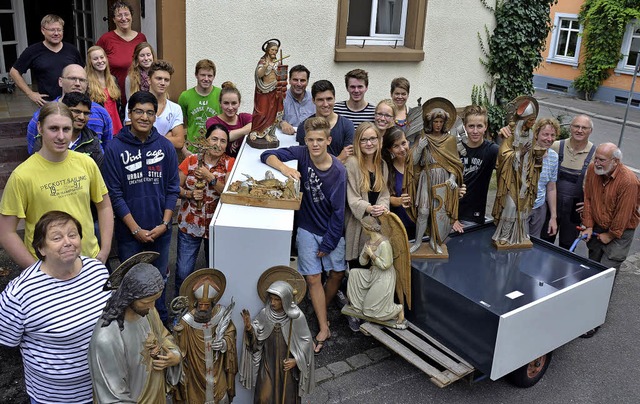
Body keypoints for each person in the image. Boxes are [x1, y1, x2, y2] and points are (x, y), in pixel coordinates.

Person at [0, 211, 111, 403]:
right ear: (41, 248)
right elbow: (8, 341)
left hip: (103, 389)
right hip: (54, 397)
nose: (67, 242)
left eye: (73, 234)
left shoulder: (98, 271)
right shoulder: (19, 293)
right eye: (57, 237)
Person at [261, 117, 347, 355]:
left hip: (331, 229)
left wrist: (329, 242)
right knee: (312, 279)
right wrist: (285, 168)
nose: (315, 144)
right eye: (311, 140)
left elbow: (339, 213)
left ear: (328, 141)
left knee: (336, 274)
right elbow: (267, 154)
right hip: (307, 228)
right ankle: (323, 325)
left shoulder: (339, 171)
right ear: (305, 141)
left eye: (320, 140)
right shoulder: (302, 154)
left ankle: (320, 305)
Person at [0, 102, 113, 269]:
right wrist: (36, 271)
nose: (61, 136)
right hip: (47, 268)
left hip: (89, 263)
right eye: (53, 128)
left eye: (66, 129)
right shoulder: (22, 176)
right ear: (39, 128)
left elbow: (104, 207)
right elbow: (6, 232)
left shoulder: (86, 163)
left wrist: (104, 251)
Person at [102, 91, 180, 322]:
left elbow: (173, 188)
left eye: (149, 112)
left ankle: (160, 325)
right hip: (129, 235)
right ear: (130, 113)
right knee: (131, 283)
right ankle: (131, 328)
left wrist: (165, 224)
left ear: (156, 116)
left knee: (160, 281)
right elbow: (114, 195)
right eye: (139, 111)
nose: (144, 117)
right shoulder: (115, 149)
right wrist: (135, 229)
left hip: (161, 232)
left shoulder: (165, 147)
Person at [88, 262, 182, 402]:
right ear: (129, 297)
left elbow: (164, 337)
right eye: (146, 302)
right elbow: (113, 398)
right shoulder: (107, 338)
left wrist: (174, 356)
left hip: (158, 395)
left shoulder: (148, 312)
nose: (151, 307)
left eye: (155, 300)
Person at [175, 124, 235, 296]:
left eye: (223, 141)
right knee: (183, 273)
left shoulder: (230, 164)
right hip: (190, 225)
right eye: (214, 139)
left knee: (215, 272)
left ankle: (211, 309)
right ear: (206, 140)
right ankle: (180, 309)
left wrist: (211, 178)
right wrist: (189, 193)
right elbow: (174, 187)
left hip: (216, 228)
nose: (218, 144)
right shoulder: (192, 160)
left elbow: (229, 194)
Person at [240, 281, 315, 403]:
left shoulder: (296, 316)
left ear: (285, 300)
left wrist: (296, 360)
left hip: (286, 367)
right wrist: (249, 328)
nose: (273, 302)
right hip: (267, 364)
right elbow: (256, 342)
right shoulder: (265, 314)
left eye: (277, 299)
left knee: (287, 399)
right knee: (263, 398)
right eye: (271, 299)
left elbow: (306, 343)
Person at [173, 269, 237, 404]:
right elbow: (180, 349)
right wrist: (178, 334)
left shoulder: (220, 315)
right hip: (196, 371)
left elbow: (230, 331)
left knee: (221, 397)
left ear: (212, 304)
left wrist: (225, 343)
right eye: (200, 304)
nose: (202, 308)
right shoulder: (187, 320)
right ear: (195, 303)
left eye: (206, 305)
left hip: (217, 367)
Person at [407, 100, 463, 254]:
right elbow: (413, 162)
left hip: (443, 179)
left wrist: (452, 178)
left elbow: (455, 164)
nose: (437, 124)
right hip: (427, 177)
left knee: (438, 211)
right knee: (424, 211)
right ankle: (418, 242)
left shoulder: (449, 140)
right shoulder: (423, 138)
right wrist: (419, 147)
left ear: (445, 122)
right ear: (429, 122)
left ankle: (435, 240)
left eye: (440, 121)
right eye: (435, 121)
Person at [26, 63, 113, 154]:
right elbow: (33, 152)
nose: (77, 84)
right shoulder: (43, 114)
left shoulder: (101, 113)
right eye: (72, 79)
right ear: (60, 81)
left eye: (82, 80)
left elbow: (108, 149)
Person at [581, 143, 640, 269]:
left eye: (601, 160)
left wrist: (610, 235)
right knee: (593, 266)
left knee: (606, 270)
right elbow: (588, 198)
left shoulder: (628, 181)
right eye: (595, 158)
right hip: (598, 225)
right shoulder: (592, 169)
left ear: (615, 162)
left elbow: (623, 214)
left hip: (621, 231)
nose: (596, 163)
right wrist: (589, 226)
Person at [492, 97, 542, 246]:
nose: (533, 123)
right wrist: (518, 153)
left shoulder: (532, 135)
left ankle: (518, 235)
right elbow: (503, 154)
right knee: (511, 206)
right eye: (531, 120)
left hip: (526, 176)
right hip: (511, 177)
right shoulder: (512, 133)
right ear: (524, 119)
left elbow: (534, 154)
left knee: (523, 208)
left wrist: (538, 160)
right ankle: (505, 235)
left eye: (534, 120)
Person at [542, 115, 596, 249]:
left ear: (590, 131)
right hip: (550, 206)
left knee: (567, 247)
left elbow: (601, 185)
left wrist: (591, 204)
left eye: (584, 128)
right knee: (543, 242)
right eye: (576, 126)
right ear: (570, 128)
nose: (579, 130)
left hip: (574, 212)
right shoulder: (556, 146)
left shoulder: (595, 154)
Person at [9, 14, 82, 106]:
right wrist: (30, 93)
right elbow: (14, 72)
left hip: (73, 102)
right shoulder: (33, 51)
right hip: (48, 104)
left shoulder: (72, 50)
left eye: (59, 30)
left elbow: (84, 71)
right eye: (52, 30)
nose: (56, 33)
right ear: (43, 30)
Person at [346, 216, 405, 326]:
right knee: (354, 273)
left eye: (363, 227)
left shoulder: (384, 243)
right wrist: (366, 253)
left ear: (368, 229)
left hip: (384, 277)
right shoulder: (368, 243)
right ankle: (358, 305)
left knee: (369, 310)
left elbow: (385, 265)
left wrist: (372, 255)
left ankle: (398, 309)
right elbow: (362, 263)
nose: (362, 230)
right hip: (374, 273)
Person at [345, 122, 390, 265]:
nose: (369, 143)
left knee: (377, 266)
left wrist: (382, 207)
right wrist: (368, 208)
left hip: (377, 223)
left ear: (379, 140)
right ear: (358, 142)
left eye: (372, 138)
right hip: (358, 223)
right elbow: (351, 197)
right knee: (359, 265)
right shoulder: (352, 163)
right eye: (363, 140)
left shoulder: (382, 165)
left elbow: (384, 194)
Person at [452, 105, 498, 232]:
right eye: (471, 126)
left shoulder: (492, 150)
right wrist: (450, 216)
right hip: (451, 214)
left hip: (474, 215)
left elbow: (510, 165)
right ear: (465, 127)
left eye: (479, 126)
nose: (475, 131)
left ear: (486, 127)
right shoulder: (455, 148)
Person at [32, 92, 105, 167]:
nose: (82, 117)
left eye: (86, 113)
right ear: (64, 111)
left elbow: (100, 171)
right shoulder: (45, 140)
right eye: (77, 111)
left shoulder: (93, 140)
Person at [96, 1, 148, 105]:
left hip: (137, 94)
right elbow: (93, 62)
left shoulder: (141, 38)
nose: (124, 18)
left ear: (131, 16)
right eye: (119, 15)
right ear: (114, 19)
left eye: (126, 14)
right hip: (113, 96)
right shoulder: (106, 39)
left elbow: (147, 63)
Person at [295, 80, 354, 163]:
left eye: (329, 99)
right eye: (320, 100)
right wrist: (339, 158)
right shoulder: (304, 127)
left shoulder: (347, 126)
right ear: (313, 100)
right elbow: (305, 160)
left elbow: (348, 158)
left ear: (334, 98)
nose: (325, 104)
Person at [179, 59, 222, 152]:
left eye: (210, 76)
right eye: (203, 75)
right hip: (192, 149)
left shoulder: (221, 95)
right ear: (196, 75)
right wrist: (184, 150)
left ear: (214, 76)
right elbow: (179, 125)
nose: (206, 79)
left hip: (215, 149)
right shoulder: (185, 96)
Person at [249, 39, 286, 146]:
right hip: (263, 90)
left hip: (275, 90)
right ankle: (256, 131)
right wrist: (265, 66)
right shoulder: (262, 61)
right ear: (267, 50)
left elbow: (281, 75)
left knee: (272, 112)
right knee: (261, 112)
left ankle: (268, 133)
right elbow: (259, 75)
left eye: (276, 50)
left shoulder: (277, 62)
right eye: (273, 50)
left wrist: (282, 74)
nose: (275, 52)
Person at [527, 118, 559, 239]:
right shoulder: (526, 152)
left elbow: (551, 187)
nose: (549, 139)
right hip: (522, 206)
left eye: (552, 135)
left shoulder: (553, 157)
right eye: (545, 134)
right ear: (536, 134)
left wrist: (553, 217)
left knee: (534, 243)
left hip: (539, 207)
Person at [382, 126, 415, 237]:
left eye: (403, 143)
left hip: (422, 224)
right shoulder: (387, 168)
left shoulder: (419, 165)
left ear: (408, 142)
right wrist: (398, 200)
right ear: (389, 149)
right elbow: (384, 197)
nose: (401, 149)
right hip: (399, 226)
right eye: (396, 146)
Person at [205, 81, 252, 158]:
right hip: (220, 165)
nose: (230, 107)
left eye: (234, 103)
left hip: (241, 163)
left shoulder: (244, 118)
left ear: (239, 103)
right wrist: (245, 130)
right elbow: (223, 137)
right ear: (220, 103)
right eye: (226, 103)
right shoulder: (212, 122)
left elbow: (258, 123)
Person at [86, 45, 123, 135]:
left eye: (102, 57)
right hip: (99, 129)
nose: (100, 61)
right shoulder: (87, 83)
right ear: (90, 62)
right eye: (95, 59)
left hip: (117, 127)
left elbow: (119, 107)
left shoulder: (113, 79)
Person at [279, 64, 315, 134]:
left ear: (307, 82)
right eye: (295, 80)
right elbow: (271, 119)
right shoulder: (280, 98)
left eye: (302, 80)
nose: (299, 84)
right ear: (289, 80)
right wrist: (282, 123)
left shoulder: (314, 99)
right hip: (288, 138)